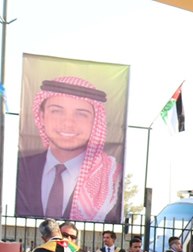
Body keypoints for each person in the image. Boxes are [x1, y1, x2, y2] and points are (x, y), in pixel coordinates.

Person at [15, 76, 122, 222]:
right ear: (41, 116)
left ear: (95, 122)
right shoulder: (19, 168)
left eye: (81, 114)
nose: (68, 123)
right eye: (57, 111)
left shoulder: (111, 177)